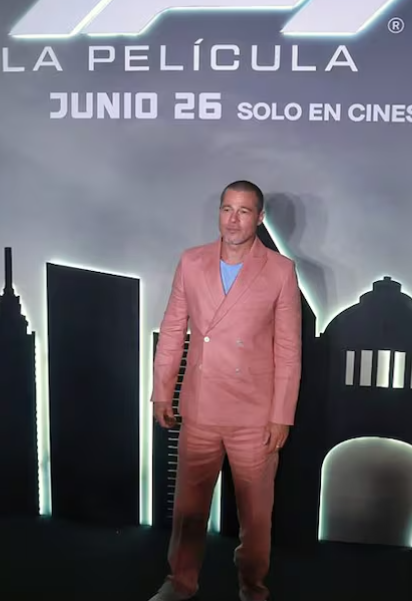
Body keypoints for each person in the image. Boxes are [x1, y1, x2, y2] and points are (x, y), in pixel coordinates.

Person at [148, 180, 302, 601]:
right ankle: (180, 581)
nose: (233, 220)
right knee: (189, 508)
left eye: (244, 211)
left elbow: (289, 350)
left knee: (256, 514)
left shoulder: (280, 270)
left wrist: (281, 415)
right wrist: (162, 392)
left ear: (260, 218)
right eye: (227, 209)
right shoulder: (191, 261)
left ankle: (252, 584)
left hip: (255, 414)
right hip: (200, 406)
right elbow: (173, 329)